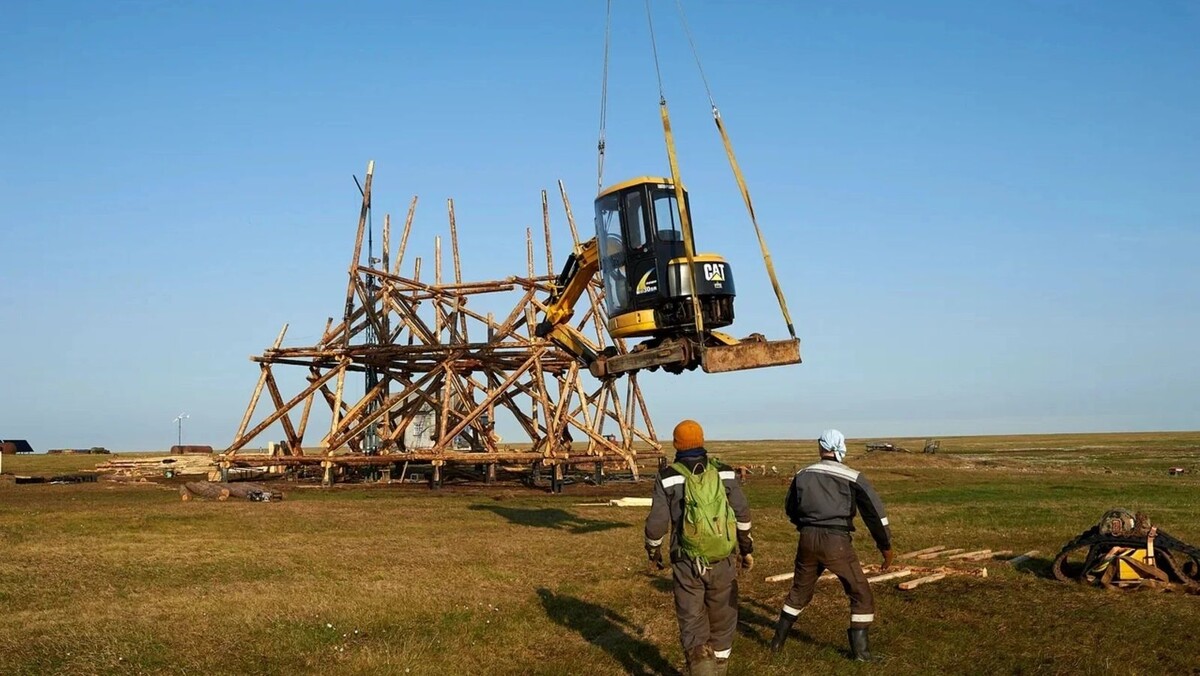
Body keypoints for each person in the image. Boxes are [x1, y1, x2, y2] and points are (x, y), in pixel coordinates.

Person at [769, 429, 894, 661]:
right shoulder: (853, 477)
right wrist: (885, 547)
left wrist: (805, 526)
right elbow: (875, 515)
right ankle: (862, 653)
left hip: (807, 539)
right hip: (836, 542)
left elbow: (790, 508)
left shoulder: (803, 473)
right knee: (860, 592)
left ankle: (777, 643)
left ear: (820, 446)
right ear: (841, 446)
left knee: (799, 591)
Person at [645, 420, 754, 676]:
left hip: (686, 561)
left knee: (693, 623)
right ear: (702, 441)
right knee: (723, 619)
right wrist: (746, 548)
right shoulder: (725, 473)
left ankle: (702, 668)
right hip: (723, 558)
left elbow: (657, 523)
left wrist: (653, 549)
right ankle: (720, 667)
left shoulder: (668, 477)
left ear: (676, 444)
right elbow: (742, 514)